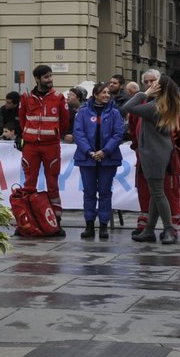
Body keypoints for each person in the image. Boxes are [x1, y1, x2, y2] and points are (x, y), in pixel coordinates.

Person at [125, 73, 180, 244]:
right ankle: (149, 230)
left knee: (158, 193)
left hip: (152, 156)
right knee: (156, 194)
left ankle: (168, 228)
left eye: (153, 84)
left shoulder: (154, 107)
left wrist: (143, 94)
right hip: (163, 153)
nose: (149, 85)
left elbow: (127, 108)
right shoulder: (170, 105)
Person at [72, 82, 124, 240]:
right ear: (95, 95)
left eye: (108, 93)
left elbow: (118, 133)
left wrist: (105, 151)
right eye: (103, 93)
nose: (107, 95)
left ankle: (103, 226)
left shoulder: (115, 113)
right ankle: (89, 225)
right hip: (87, 158)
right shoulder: (83, 112)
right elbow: (78, 133)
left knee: (105, 192)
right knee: (88, 193)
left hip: (108, 158)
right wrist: (89, 151)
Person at [17, 65, 69, 214]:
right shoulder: (26, 98)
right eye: (46, 77)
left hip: (51, 146)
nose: (50, 79)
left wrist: (54, 134)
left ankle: (56, 218)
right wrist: (27, 135)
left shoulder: (58, 98)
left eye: (51, 76)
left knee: (52, 183)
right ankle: (28, 218)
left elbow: (64, 123)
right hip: (31, 146)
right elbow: (22, 120)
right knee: (29, 183)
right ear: (37, 79)